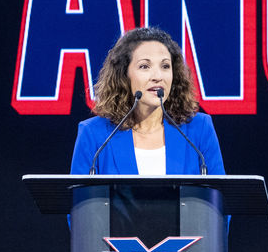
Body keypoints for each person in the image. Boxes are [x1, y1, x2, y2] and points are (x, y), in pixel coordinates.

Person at [70, 27, 225, 175]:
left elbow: (217, 197)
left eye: (165, 66)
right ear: (124, 74)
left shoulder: (199, 129)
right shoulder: (93, 134)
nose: (157, 76)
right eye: (144, 66)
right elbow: (81, 200)